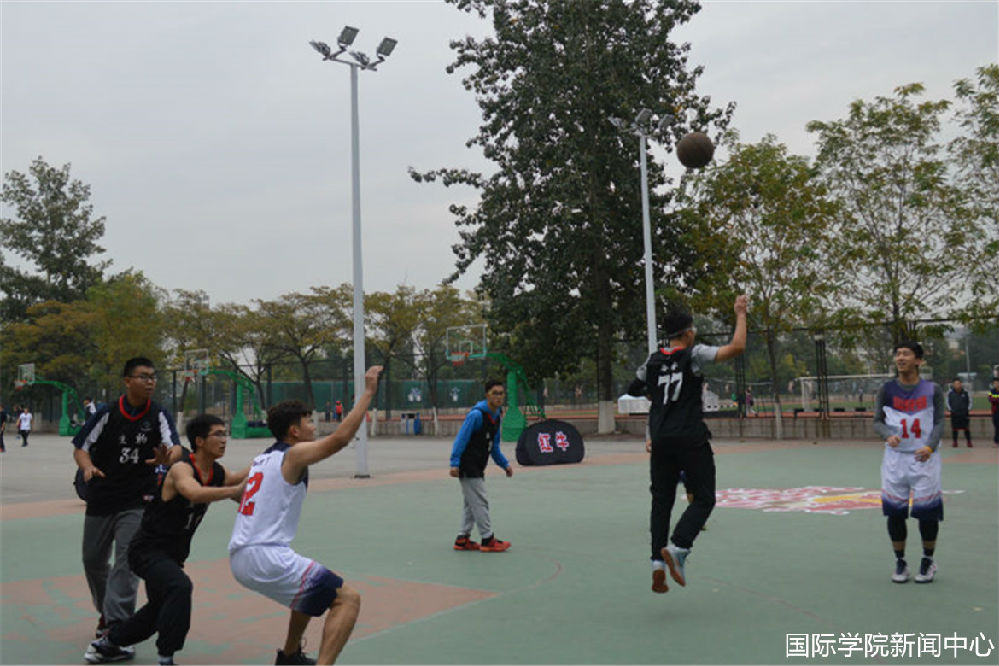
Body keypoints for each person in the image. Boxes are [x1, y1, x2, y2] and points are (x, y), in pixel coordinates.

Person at [228, 365, 382, 665]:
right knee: (347, 599)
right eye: (308, 421)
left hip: (241, 557)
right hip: (265, 556)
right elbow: (340, 440)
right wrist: (367, 393)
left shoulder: (261, 460)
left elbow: (235, 487)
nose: (314, 426)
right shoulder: (293, 454)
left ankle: (289, 656)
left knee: (307, 590)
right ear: (294, 431)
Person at [85, 415, 248, 665]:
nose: (224, 439)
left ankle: (110, 643)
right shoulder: (183, 469)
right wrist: (234, 491)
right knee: (179, 587)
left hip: (172, 555)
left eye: (224, 433)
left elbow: (239, 479)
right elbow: (193, 492)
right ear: (199, 441)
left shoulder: (217, 472)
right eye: (218, 434)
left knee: (159, 607)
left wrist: (272, 458)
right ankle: (166, 657)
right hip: (147, 551)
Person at [628, 295, 747, 594]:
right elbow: (736, 347)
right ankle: (679, 546)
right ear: (688, 332)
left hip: (660, 440)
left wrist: (656, 394)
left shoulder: (652, 361)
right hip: (690, 437)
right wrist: (740, 314)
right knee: (704, 498)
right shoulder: (693, 354)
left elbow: (634, 387)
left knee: (661, 502)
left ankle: (657, 563)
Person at [74, 357, 183, 660]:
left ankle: (118, 627)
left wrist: (168, 458)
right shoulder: (107, 413)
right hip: (102, 497)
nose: (150, 382)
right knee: (93, 560)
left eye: (153, 377)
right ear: (127, 381)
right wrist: (87, 467)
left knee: (126, 560)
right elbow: (81, 448)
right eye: (143, 376)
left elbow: (175, 446)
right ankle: (107, 613)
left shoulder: (158, 413)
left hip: (138, 500)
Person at [873, 341, 945, 584]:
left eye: (906, 354)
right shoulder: (886, 390)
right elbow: (877, 421)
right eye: (898, 354)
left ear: (919, 361)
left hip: (924, 458)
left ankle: (927, 560)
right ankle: (900, 561)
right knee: (895, 513)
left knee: (927, 512)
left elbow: (939, 422)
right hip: (895, 459)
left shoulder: (932, 390)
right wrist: (887, 435)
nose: (900, 358)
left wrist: (930, 446)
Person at [449, 379, 514, 553]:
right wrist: (454, 463)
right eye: (495, 393)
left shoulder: (497, 416)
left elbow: (494, 446)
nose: (499, 397)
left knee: (471, 503)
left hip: (479, 464)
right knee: (480, 500)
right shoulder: (476, 415)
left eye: (501, 393)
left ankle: (462, 539)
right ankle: (488, 539)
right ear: (487, 395)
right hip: (468, 464)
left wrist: (504, 464)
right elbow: (461, 439)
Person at [946, 378, 973, 448]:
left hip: (964, 414)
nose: (957, 385)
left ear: (961, 384)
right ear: (953, 385)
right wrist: (951, 409)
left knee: (966, 429)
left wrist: (967, 409)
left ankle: (969, 442)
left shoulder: (966, 392)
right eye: (955, 384)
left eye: (958, 383)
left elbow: (970, 401)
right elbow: (947, 402)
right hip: (954, 414)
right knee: (954, 429)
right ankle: (955, 442)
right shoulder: (950, 393)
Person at [989, 378, 999, 446]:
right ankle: (996, 441)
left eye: (997, 383)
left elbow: (994, 399)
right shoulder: (992, 391)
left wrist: (995, 399)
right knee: (997, 427)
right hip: (995, 412)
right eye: (994, 383)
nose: (996, 384)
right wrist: (996, 399)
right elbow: (990, 399)